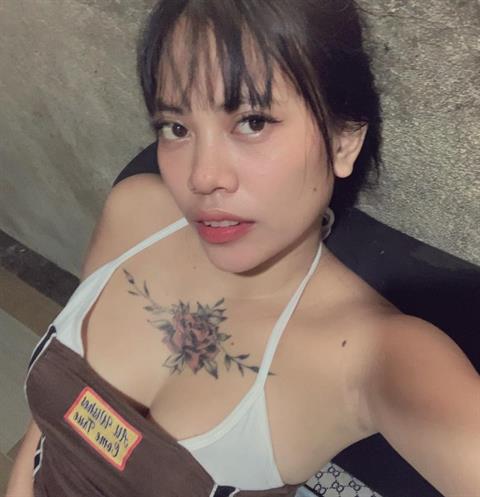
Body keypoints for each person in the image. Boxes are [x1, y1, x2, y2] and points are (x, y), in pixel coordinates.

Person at [7, 1, 479, 496]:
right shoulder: (138, 211)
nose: (201, 176)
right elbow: (50, 425)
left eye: (252, 122)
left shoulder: (371, 356)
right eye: (176, 127)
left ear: (343, 140)